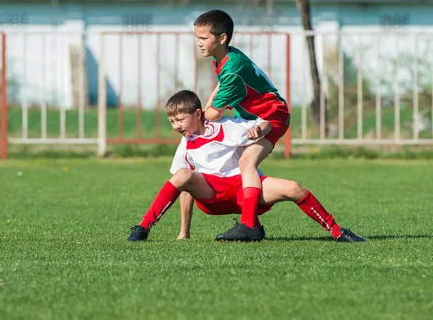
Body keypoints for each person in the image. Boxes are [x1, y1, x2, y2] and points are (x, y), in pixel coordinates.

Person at [127, 90, 364, 243]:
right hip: (213, 195)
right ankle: (142, 229)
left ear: (198, 114)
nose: (176, 126)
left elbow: (268, 123)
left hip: (245, 189)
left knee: (294, 188)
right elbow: (184, 187)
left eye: (179, 120)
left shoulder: (227, 126)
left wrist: (260, 129)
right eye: (171, 122)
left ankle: (337, 231)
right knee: (181, 175)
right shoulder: (186, 144)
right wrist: (184, 231)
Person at [193, 9, 291, 241]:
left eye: (204, 38)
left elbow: (213, 115)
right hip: (256, 119)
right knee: (241, 162)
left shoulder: (233, 69)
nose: (199, 43)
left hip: (271, 117)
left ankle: (248, 225)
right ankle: (252, 224)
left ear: (222, 38)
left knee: (247, 161)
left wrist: (199, 113)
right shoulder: (228, 58)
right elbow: (221, 89)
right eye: (197, 38)